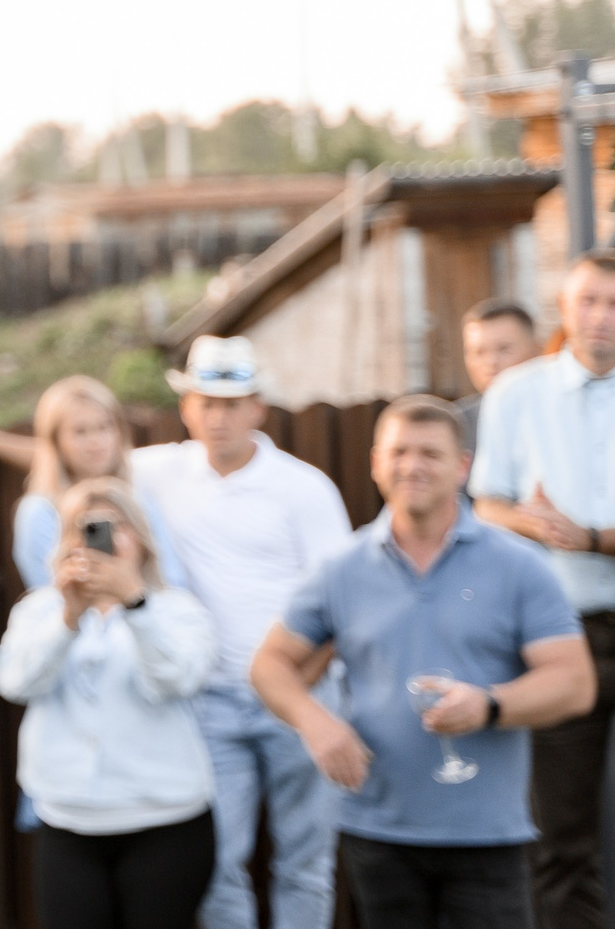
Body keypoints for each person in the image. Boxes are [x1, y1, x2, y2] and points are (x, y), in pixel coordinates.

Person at [252, 397, 593, 929]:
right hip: (377, 829)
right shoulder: (340, 568)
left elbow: (574, 683)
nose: (412, 466)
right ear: (375, 463)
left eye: (430, 454)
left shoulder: (519, 566)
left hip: (486, 831)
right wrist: (316, 724)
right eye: (399, 452)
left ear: (462, 467)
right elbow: (270, 664)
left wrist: (491, 705)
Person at [472, 247, 615, 928]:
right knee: (559, 831)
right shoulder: (515, 393)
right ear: (563, 309)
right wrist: (537, 524)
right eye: (587, 300)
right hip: (557, 636)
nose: (600, 317)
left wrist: (592, 536)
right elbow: (488, 503)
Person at [127, 336, 355, 929]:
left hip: (298, 700)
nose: (218, 416)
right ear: (186, 408)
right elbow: (70, 459)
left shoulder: (303, 488)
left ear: (258, 408)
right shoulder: (159, 472)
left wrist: (296, 694)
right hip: (211, 706)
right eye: (206, 402)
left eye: (232, 403)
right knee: (216, 864)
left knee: (306, 864)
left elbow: (339, 603)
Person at [0, 478, 218, 929]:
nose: (101, 539)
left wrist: (134, 604)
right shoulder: (37, 611)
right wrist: (67, 620)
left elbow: (176, 680)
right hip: (68, 821)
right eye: (85, 528)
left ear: (140, 537)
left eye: (115, 526)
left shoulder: (178, 609)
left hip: (165, 821)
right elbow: (15, 684)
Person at [0, 375, 180, 592]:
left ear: (119, 432)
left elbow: (172, 583)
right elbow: (51, 597)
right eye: (80, 432)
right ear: (55, 441)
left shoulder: (140, 501)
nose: (95, 441)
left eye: (104, 427)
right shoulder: (39, 512)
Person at [457, 298, 542, 455]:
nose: (491, 363)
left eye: (504, 349)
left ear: (536, 351)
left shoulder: (559, 415)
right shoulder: (456, 425)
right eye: (478, 352)